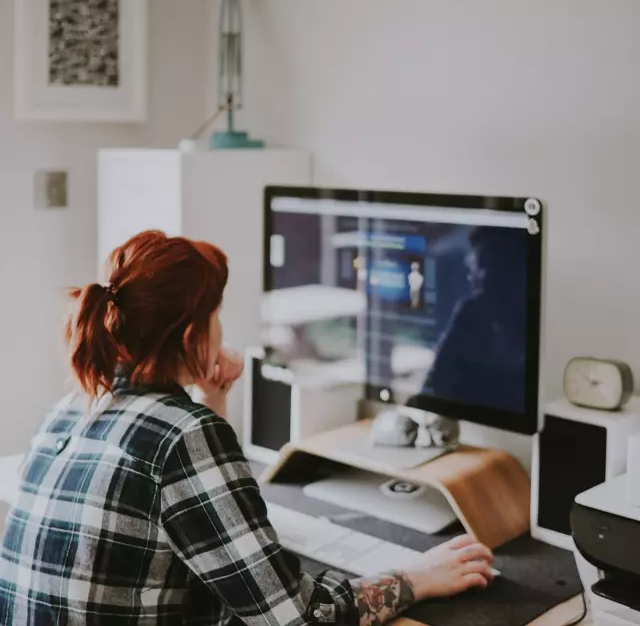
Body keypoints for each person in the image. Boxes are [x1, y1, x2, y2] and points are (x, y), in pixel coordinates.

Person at [0, 230, 493, 625]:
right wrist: (415, 578)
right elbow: (297, 618)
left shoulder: (75, 404)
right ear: (194, 335)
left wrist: (211, 401)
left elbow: (190, 514)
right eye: (217, 317)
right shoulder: (183, 435)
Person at [412, 226, 528, 413]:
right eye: (478, 266)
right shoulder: (472, 313)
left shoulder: (533, 325)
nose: (479, 277)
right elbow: (435, 381)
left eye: (490, 265)